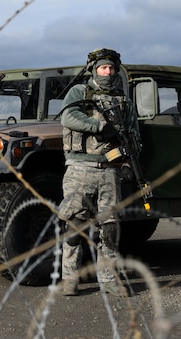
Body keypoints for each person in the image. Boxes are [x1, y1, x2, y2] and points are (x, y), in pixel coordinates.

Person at [58, 47, 139, 297]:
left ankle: (109, 280)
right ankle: (70, 278)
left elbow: (133, 135)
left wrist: (127, 164)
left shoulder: (124, 101)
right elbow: (68, 117)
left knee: (110, 228)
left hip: (110, 170)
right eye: (104, 67)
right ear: (95, 70)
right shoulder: (80, 92)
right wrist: (99, 126)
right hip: (80, 167)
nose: (108, 72)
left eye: (112, 68)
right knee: (75, 225)